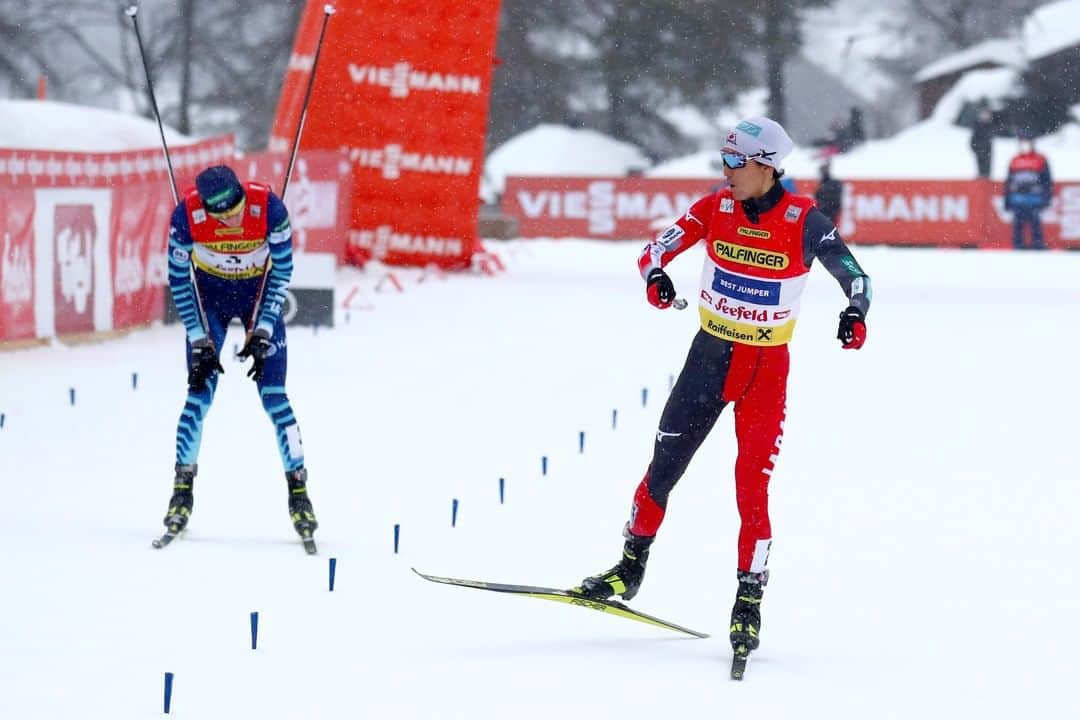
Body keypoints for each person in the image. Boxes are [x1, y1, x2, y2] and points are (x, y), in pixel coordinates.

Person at [574, 117, 872, 662]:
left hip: (765, 372)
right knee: (664, 466)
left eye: (736, 163)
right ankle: (629, 569)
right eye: (724, 161)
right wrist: (657, 278)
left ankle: (748, 600)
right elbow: (652, 252)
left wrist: (855, 311)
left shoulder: (805, 220)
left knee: (750, 489)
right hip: (708, 360)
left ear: (766, 166)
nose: (726, 172)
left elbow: (856, 275)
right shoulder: (716, 208)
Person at [161, 165, 318, 546]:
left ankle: (299, 493)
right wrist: (199, 340)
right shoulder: (186, 216)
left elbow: (281, 272)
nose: (230, 220)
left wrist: (263, 329)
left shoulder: (269, 208)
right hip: (210, 306)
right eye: (221, 216)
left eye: (234, 210)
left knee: (275, 397)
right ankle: (182, 491)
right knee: (198, 395)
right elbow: (179, 280)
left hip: (257, 301)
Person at [1004, 133, 1052, 249]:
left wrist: (1046, 197)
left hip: (1034, 197)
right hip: (1018, 198)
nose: (1025, 146)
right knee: (1018, 223)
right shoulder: (1015, 160)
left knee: (1035, 222)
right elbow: (1009, 181)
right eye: (1023, 143)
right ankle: (1018, 245)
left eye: (1027, 143)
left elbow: (1047, 180)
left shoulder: (1040, 159)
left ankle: (1038, 244)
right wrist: (1007, 200)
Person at [970, 103, 994, 179]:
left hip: (987, 150)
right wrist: (975, 147)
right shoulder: (977, 126)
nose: (985, 116)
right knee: (980, 166)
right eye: (983, 114)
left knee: (987, 167)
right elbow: (973, 139)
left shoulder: (990, 125)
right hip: (979, 149)